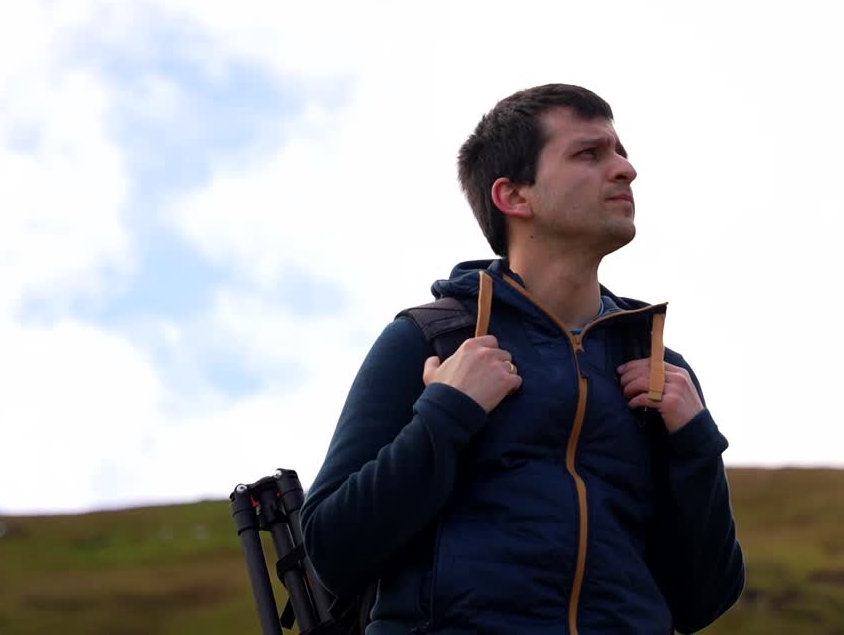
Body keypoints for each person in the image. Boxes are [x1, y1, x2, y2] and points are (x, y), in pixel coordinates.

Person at [301, 84, 745, 634]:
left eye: (620, 151)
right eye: (589, 153)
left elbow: (703, 601)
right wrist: (446, 412)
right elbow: (331, 550)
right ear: (514, 196)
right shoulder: (433, 339)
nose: (626, 169)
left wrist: (697, 446)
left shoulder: (656, 366)